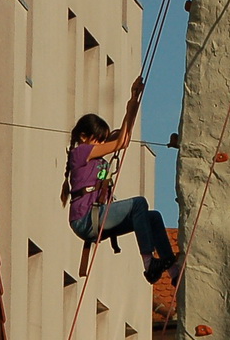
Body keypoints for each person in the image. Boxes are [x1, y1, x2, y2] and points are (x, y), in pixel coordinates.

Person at [66, 78, 178, 284]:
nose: (101, 144)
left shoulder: (93, 155)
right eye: (98, 139)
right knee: (139, 204)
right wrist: (132, 100)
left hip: (97, 216)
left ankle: (172, 270)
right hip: (86, 218)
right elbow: (122, 142)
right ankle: (148, 263)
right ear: (84, 137)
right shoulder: (81, 152)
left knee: (152, 217)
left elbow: (124, 135)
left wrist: (133, 100)